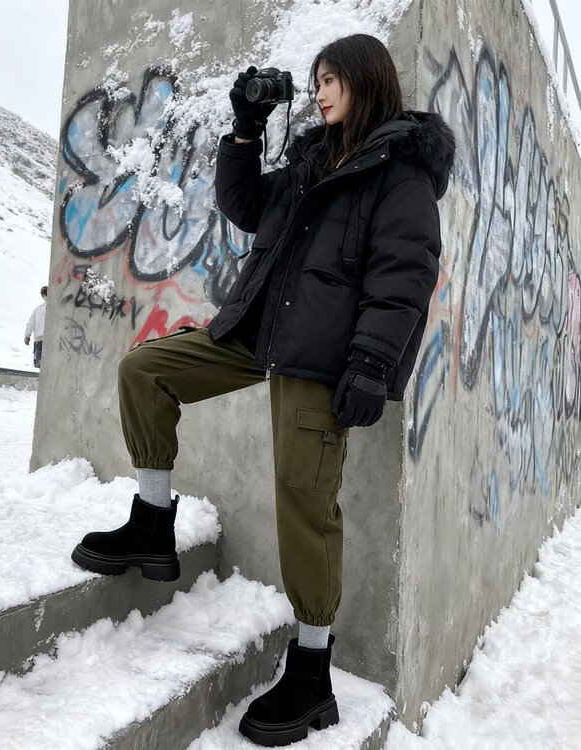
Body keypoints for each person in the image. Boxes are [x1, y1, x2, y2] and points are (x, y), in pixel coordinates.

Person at [71, 34, 455, 746]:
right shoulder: (313, 158)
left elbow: (404, 276)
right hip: (257, 330)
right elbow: (247, 206)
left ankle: (312, 674)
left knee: (303, 501)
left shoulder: (399, 174)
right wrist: (245, 132)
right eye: (317, 80)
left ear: (367, 80)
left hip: (323, 358)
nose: (320, 91)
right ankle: (152, 523)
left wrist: (371, 365)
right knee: (145, 370)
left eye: (332, 79)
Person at [24, 286, 48, 368]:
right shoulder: (38, 309)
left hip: (47, 339)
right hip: (39, 340)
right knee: (39, 363)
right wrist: (27, 335)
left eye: (46, 294)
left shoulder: (54, 308)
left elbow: (31, 323)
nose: (45, 297)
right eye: (44, 295)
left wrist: (27, 335)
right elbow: (31, 323)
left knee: (45, 364)